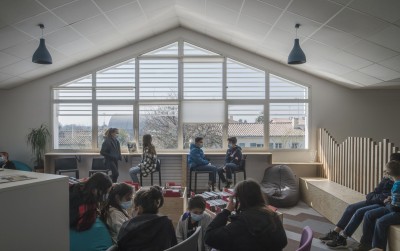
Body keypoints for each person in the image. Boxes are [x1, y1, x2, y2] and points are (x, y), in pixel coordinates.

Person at [321, 152, 400, 249]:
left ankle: (346, 238)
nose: (386, 172)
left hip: (382, 204)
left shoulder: (396, 181)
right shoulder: (387, 178)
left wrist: (378, 197)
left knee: (361, 212)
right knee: (351, 207)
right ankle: (335, 232)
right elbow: (374, 193)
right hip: (376, 200)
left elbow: (388, 198)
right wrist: (376, 197)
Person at [204, 179, 288, 251]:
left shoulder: (241, 223)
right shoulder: (272, 214)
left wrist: (226, 211)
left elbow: (209, 237)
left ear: (238, 199)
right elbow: (283, 242)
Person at [354, 160, 400, 251]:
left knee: (380, 222)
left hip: (397, 211)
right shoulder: (396, 183)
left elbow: (395, 208)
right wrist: (390, 199)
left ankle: (378, 248)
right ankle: (366, 245)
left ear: (388, 173)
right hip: (393, 207)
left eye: (385, 171)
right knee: (368, 214)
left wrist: (387, 202)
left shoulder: (397, 185)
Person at [117, 186, 177, 251]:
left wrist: (133, 220)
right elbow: (174, 246)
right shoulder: (166, 223)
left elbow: (120, 247)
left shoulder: (127, 226)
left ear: (139, 208)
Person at [69, 173, 114, 251]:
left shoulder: (79, 186)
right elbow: (81, 225)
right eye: (105, 192)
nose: (105, 195)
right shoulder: (87, 206)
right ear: (97, 190)